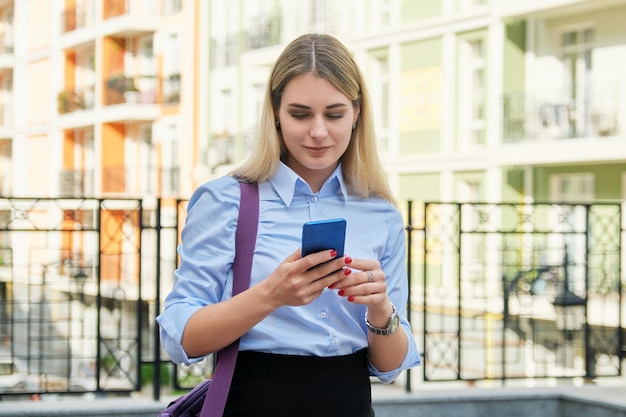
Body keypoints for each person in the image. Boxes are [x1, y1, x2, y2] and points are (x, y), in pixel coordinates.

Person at [157, 33, 421, 417]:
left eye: (334, 114)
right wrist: (271, 294)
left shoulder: (380, 213)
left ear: (357, 112)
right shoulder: (226, 200)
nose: (318, 132)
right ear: (276, 113)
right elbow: (178, 338)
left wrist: (380, 309)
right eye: (300, 114)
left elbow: (390, 368)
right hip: (251, 403)